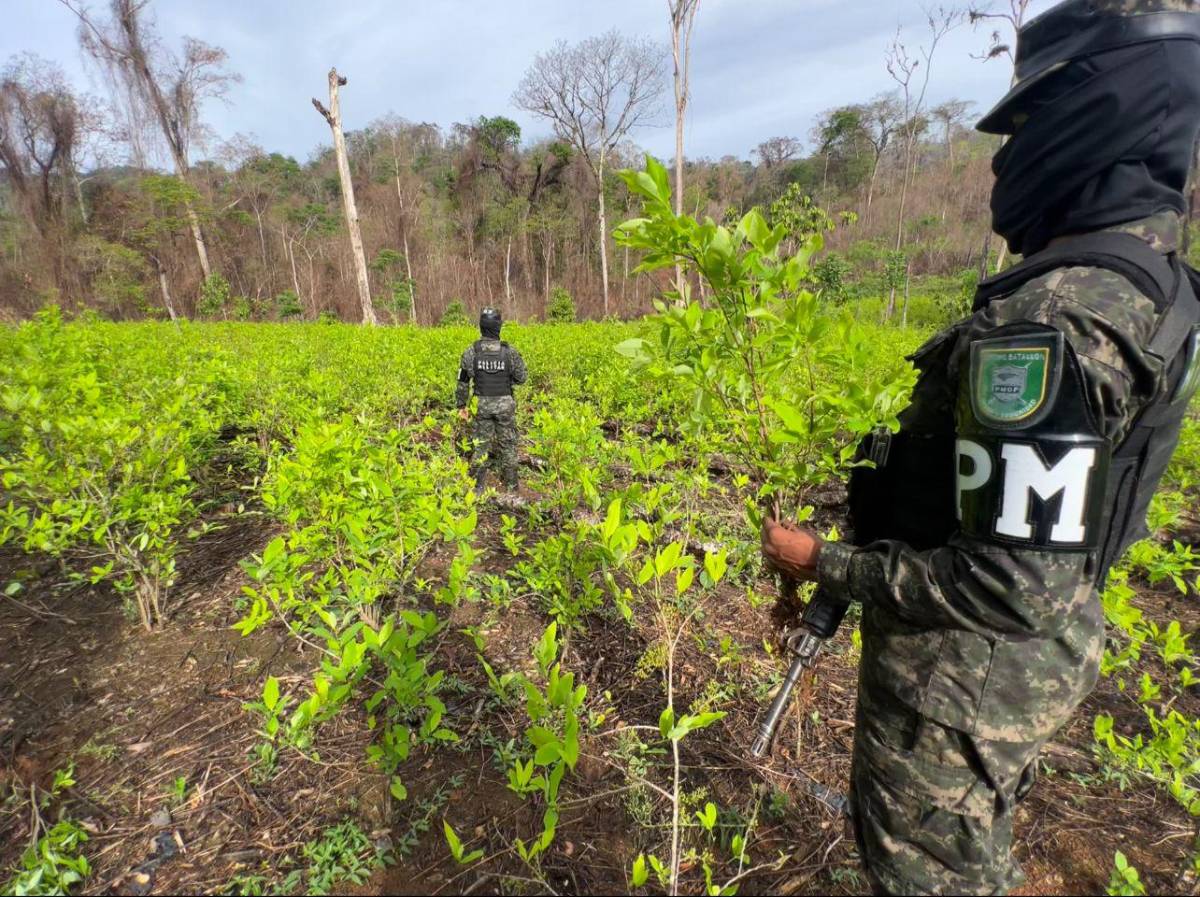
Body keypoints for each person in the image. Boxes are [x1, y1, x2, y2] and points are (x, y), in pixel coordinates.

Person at [761, 2, 1200, 893]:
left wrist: (824, 564)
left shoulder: (1057, 313)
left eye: (1025, 125)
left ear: (1097, 110)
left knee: (928, 873)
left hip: (958, 685)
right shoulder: (1148, 281)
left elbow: (1003, 584)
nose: (1005, 155)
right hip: (1014, 674)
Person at [456, 307, 528, 495]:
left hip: (481, 406)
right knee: (509, 445)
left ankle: (478, 488)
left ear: (481, 327)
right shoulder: (509, 352)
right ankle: (512, 487)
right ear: (498, 327)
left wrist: (461, 406)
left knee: (480, 445)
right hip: (505, 406)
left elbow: (462, 382)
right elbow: (522, 378)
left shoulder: (471, 351)